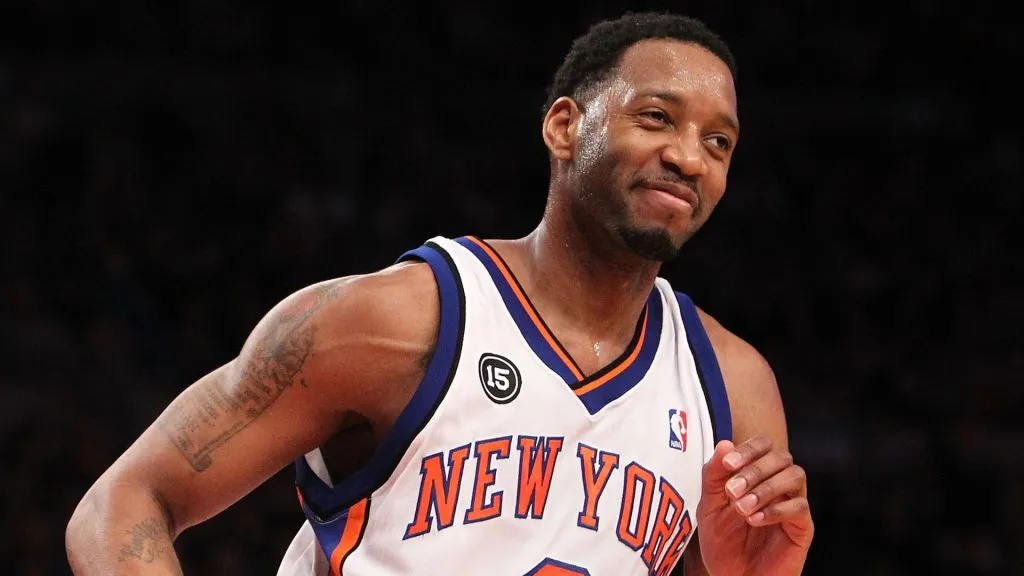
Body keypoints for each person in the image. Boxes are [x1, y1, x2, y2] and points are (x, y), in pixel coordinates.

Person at [66, 11, 813, 576]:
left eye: (719, 143)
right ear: (564, 126)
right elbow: (124, 503)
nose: (689, 157)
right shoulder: (394, 322)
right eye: (657, 117)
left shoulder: (733, 390)